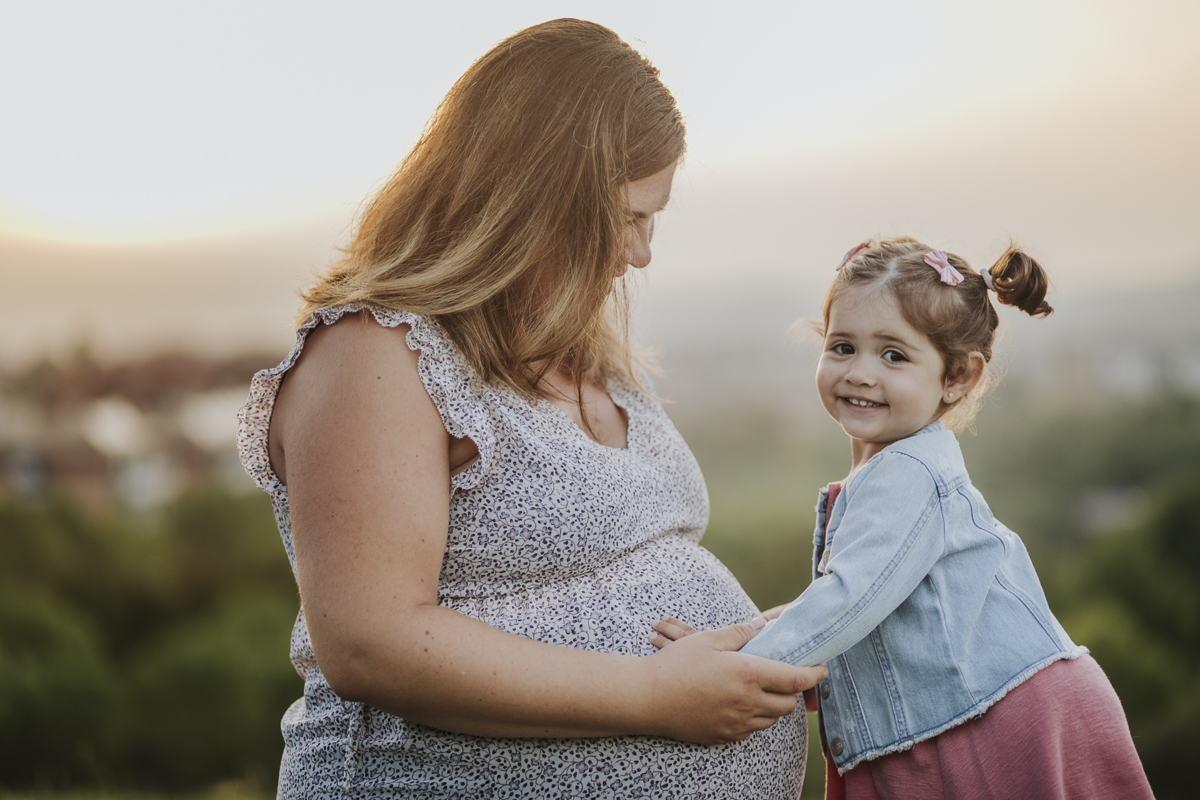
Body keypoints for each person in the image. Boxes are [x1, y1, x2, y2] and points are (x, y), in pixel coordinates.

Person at [236, 18, 826, 799]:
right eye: (629, 215)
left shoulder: (585, 353)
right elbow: (370, 644)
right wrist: (655, 696)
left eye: (656, 218)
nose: (642, 251)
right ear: (538, 196)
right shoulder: (373, 354)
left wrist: (761, 644)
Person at [653, 238, 1153, 798]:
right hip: (988, 707)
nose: (860, 373)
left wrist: (731, 671)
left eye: (893, 355)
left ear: (958, 376)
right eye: (843, 346)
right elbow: (856, 600)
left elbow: (847, 601)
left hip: (999, 718)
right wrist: (740, 638)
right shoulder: (896, 467)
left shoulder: (909, 474)